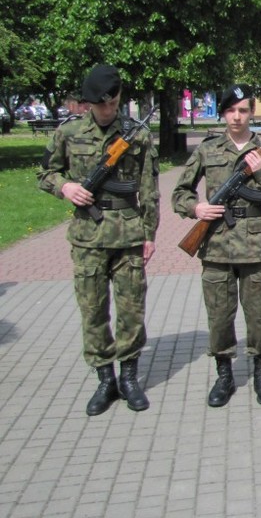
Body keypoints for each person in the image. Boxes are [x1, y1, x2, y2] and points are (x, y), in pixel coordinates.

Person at [37, 64, 159, 415]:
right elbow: (45, 172)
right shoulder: (68, 132)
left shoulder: (136, 134)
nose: (107, 110)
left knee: (131, 311)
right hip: (88, 237)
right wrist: (66, 187)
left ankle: (130, 377)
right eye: (100, 104)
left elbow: (148, 190)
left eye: (112, 103)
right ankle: (105, 379)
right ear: (89, 102)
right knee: (92, 311)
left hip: (128, 235)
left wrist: (149, 233)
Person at [172, 84, 261, 407]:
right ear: (223, 113)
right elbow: (179, 192)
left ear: (252, 113)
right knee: (220, 317)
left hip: (254, 244)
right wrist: (196, 209)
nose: (237, 117)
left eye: (244, 110)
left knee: (259, 317)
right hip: (217, 243)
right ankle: (224, 375)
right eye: (231, 110)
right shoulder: (207, 150)